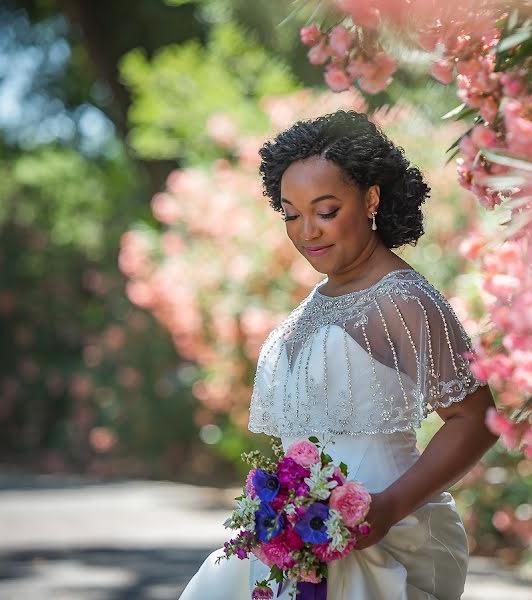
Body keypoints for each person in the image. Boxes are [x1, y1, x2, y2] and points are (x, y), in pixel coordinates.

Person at [178, 110, 499, 599]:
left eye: (326, 211)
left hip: (388, 537)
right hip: (298, 541)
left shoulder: (404, 299)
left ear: (370, 198)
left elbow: (475, 419)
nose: (308, 231)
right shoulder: (316, 302)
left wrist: (388, 508)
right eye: (291, 214)